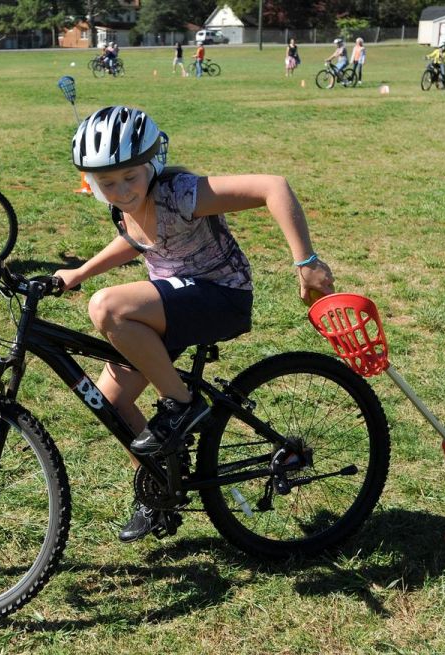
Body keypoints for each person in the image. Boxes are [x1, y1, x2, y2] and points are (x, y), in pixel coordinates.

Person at [56, 106, 335, 542]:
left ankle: (184, 404)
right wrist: (78, 273)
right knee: (110, 402)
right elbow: (138, 240)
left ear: (151, 164)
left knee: (108, 308)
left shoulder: (182, 193)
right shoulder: (125, 207)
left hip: (221, 296)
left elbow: (273, 187)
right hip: (174, 301)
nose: (122, 191)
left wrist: (307, 262)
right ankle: (159, 490)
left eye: (130, 177)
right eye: (107, 183)